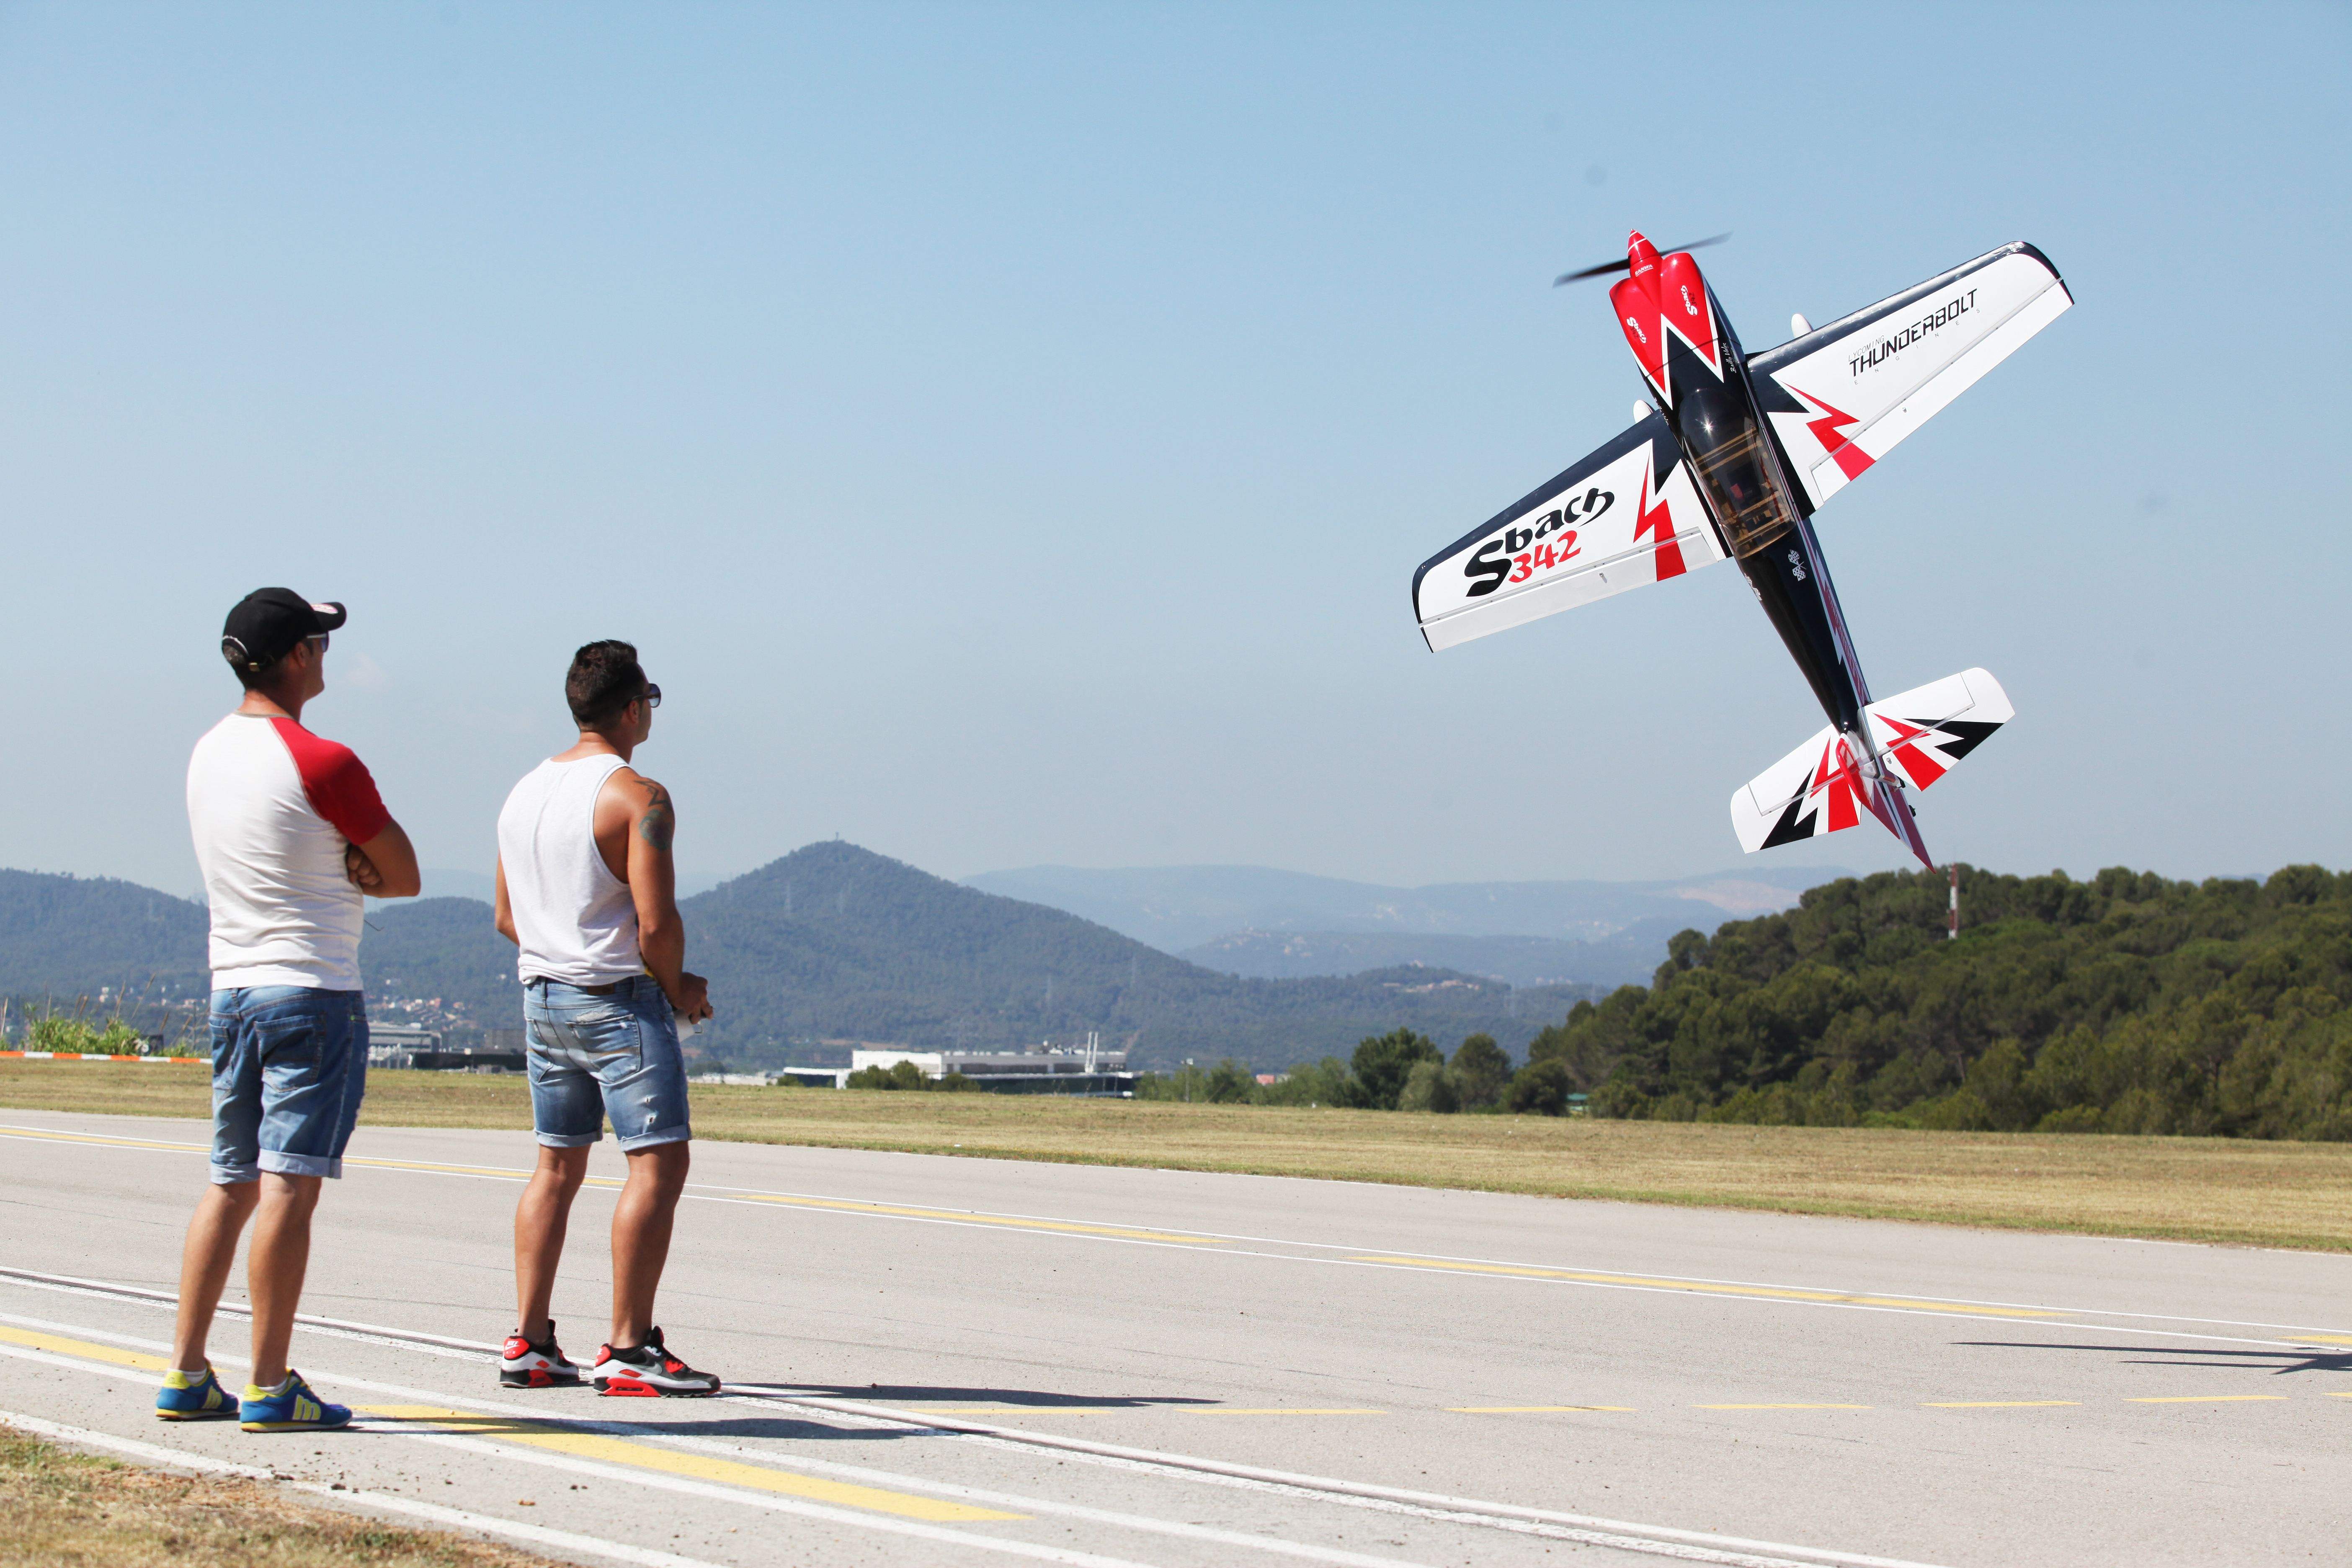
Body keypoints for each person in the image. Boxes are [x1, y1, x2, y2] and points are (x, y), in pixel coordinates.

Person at [163, 588, 420, 1432]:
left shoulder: (206, 752)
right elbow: (403, 871)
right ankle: (272, 1383)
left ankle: (186, 1370)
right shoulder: (322, 760)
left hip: (229, 987)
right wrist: (354, 864)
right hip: (310, 988)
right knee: (290, 1190)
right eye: (321, 642)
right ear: (300, 657)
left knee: (229, 1183)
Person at [493, 640, 719, 1396]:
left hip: (542, 996)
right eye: (649, 698)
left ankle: (530, 1339)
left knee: (556, 1165)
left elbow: (505, 916)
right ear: (631, 708)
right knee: (658, 1163)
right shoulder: (639, 797)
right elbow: (657, 926)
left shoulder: (523, 792)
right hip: (616, 1000)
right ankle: (627, 1345)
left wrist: (562, 949)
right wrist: (682, 988)